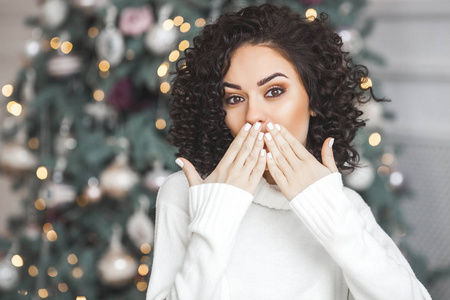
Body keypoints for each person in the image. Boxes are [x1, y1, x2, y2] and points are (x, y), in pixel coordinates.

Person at [146, 4, 431, 300]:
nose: (253, 114)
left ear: (313, 98)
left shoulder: (341, 204)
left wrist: (330, 214)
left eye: (274, 91)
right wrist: (216, 216)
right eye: (234, 98)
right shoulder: (185, 194)